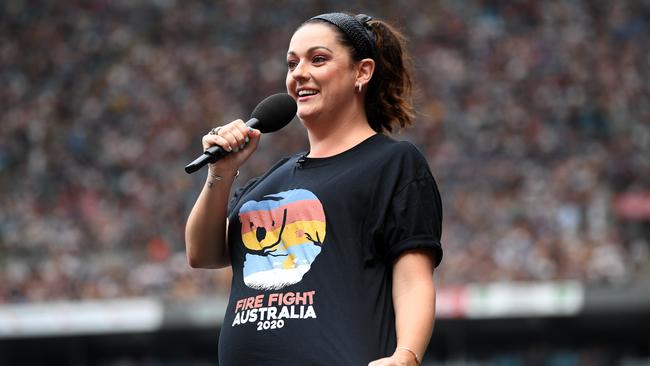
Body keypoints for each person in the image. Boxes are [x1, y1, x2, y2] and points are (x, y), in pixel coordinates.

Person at [185, 12, 443, 366]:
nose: (298, 73)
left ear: (362, 72)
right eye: (292, 63)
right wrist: (221, 173)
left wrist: (406, 355)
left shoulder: (392, 163)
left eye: (317, 59)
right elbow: (203, 253)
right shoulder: (272, 179)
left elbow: (414, 278)